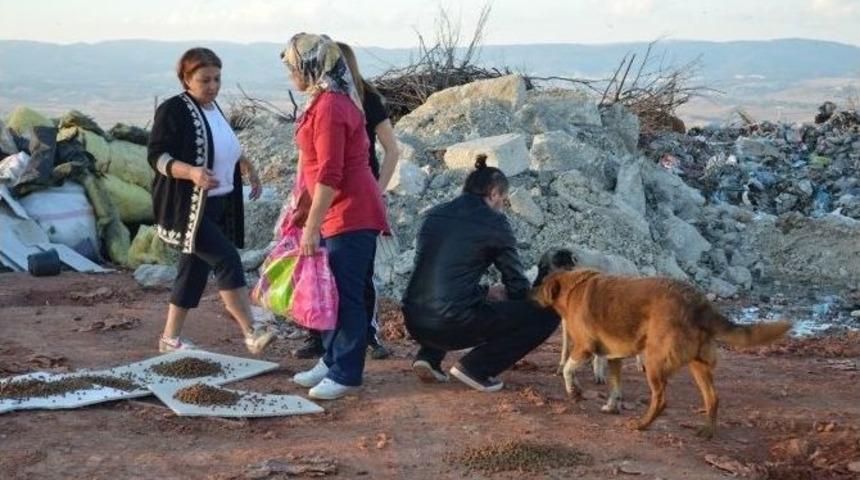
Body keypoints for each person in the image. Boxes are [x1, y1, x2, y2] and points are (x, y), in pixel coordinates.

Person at [281, 33, 389, 400]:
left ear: (312, 66)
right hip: (335, 210)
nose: (290, 73)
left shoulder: (330, 107)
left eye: (293, 67)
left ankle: (346, 372)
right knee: (329, 290)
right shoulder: (325, 101)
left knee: (345, 294)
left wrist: (312, 226)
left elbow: (330, 173)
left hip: (350, 212)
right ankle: (331, 359)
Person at [147, 47, 274, 355]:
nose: (213, 86)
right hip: (188, 209)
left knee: (193, 271)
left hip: (217, 204)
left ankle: (170, 339)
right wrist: (190, 172)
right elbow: (156, 156)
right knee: (227, 259)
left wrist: (247, 164)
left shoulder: (213, 108)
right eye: (205, 80)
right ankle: (251, 331)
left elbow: (223, 143)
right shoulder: (173, 110)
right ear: (186, 79)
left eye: (217, 79)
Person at [401, 155, 560, 392]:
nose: (502, 206)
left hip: (414, 319)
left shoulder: (433, 216)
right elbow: (517, 286)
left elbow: (441, 275)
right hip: (451, 324)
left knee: (452, 297)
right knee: (548, 314)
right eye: (503, 200)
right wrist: (525, 299)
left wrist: (486, 292)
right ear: (494, 193)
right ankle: (476, 368)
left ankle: (429, 357)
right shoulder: (495, 223)